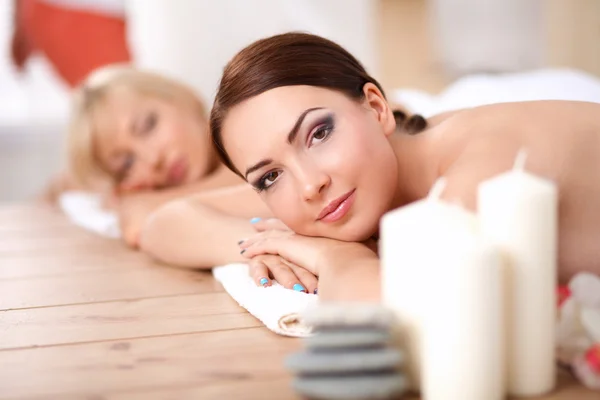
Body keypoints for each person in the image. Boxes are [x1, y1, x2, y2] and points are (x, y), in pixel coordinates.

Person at [205, 32, 600, 302]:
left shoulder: (484, 161)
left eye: (319, 134)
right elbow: (165, 223)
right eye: (270, 177)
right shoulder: (365, 181)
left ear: (377, 108)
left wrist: (333, 256)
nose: (310, 185)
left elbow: (407, 319)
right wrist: (268, 250)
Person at [49, 65, 272, 256]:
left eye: (148, 126)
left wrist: (153, 203)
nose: (153, 159)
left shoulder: (250, 118)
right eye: (126, 164)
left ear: (184, 97)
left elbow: (262, 190)